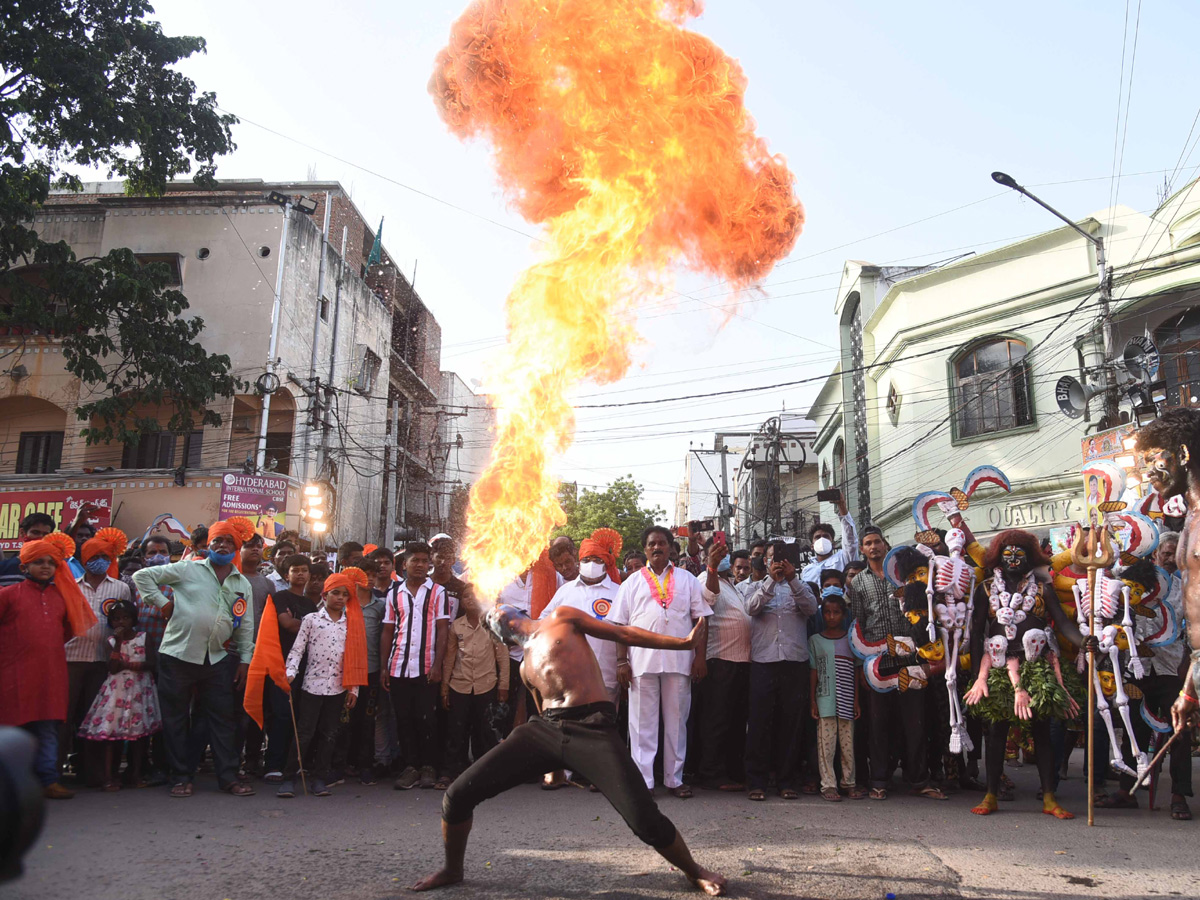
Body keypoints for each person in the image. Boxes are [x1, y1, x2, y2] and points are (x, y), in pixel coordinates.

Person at [412, 604, 724, 896]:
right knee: (456, 795)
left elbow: (623, 633)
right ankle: (453, 870)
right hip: (546, 728)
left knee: (644, 820)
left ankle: (694, 870)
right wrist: (554, 766)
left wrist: (683, 643)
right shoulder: (524, 667)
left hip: (592, 727)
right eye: (491, 621)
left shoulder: (562, 617)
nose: (493, 612)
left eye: (497, 609)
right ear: (502, 639)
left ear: (517, 611)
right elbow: (539, 710)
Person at [132, 517, 257, 797]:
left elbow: (246, 625)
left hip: (217, 659)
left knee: (222, 720)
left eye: (229, 542)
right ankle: (180, 777)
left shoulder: (242, 583)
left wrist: (245, 662)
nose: (223, 545)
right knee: (175, 719)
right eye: (218, 540)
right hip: (178, 655)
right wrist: (163, 604)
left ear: (236, 548)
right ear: (209, 544)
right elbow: (142, 577)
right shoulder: (188, 569)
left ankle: (228, 777)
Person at [964, 530, 1084, 819]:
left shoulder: (1043, 588)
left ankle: (1049, 798)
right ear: (997, 558)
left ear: (1030, 557)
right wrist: (974, 674)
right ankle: (991, 794)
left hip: (1036, 664)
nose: (1014, 559)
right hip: (995, 663)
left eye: (1020, 554)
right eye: (1008, 554)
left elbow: (1062, 624)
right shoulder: (986, 589)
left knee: (1042, 732)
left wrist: (1084, 642)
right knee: (996, 733)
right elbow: (977, 629)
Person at [609, 525, 711, 798]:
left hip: (679, 661)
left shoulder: (687, 579)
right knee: (642, 724)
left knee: (677, 722)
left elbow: (701, 620)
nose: (657, 548)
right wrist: (621, 661)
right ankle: (644, 782)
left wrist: (700, 657)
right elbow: (619, 626)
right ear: (645, 549)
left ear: (670, 548)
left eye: (662, 543)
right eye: (652, 544)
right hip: (641, 662)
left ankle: (674, 780)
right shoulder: (631, 583)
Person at [845, 526, 945, 801]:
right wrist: (860, 669)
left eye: (877, 541)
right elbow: (858, 625)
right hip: (876, 659)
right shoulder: (858, 583)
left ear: (885, 544)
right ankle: (879, 780)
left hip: (910, 655)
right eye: (868, 543)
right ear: (863, 549)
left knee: (915, 721)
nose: (874, 546)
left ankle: (919, 780)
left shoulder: (902, 575)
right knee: (879, 722)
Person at [0, 532, 95, 799]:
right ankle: (13, 785)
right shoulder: (8, 595)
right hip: (12, 675)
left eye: (51, 563)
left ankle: (48, 781)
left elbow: (65, 632)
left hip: (50, 675)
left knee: (48, 729)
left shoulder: (60, 598)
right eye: (39, 562)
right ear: (24, 567)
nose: (45, 567)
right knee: (13, 730)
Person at [538, 528, 624, 790]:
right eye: (587, 559)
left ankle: (601, 774)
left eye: (597, 560)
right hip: (571, 673)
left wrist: (624, 663)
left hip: (607, 670)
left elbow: (626, 629)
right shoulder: (565, 592)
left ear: (607, 562)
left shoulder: (619, 591)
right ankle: (564, 773)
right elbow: (544, 620)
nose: (590, 565)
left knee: (603, 725)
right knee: (568, 723)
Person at [1135, 411, 1200, 743]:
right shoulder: (1190, 518)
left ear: (1184, 455)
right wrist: (1191, 682)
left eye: (1153, 460)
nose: (1148, 472)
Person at [278, 568, 368, 798]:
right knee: (305, 732)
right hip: (312, 685)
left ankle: (320, 778)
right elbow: (298, 650)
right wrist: (290, 672)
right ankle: (289, 778)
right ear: (325, 594)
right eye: (335, 593)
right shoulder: (311, 620)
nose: (340, 598)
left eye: (345, 594)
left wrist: (353, 688)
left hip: (338, 687)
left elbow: (355, 656)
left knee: (330, 733)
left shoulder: (352, 624)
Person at [743, 539, 819, 801]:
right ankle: (757, 782)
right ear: (765, 561)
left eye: (782, 557)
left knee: (791, 723)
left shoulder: (803, 587)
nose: (777, 561)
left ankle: (787, 781)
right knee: (760, 723)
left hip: (794, 663)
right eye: (773, 557)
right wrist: (771, 582)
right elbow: (751, 608)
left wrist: (792, 580)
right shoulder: (754, 586)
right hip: (764, 662)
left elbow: (811, 609)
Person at [64, 527, 131, 785]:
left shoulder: (121, 588)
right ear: (84, 558)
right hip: (71, 659)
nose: (99, 560)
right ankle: (58, 771)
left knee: (96, 719)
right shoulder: (69, 586)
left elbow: (124, 624)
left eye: (105, 555)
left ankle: (92, 773)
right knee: (65, 718)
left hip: (104, 663)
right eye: (94, 555)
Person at [380, 542, 450, 790]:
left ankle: (429, 766)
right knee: (404, 718)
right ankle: (411, 767)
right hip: (398, 666)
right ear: (404, 564)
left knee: (427, 718)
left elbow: (443, 630)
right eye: (415, 560)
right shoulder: (393, 593)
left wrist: (438, 664)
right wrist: (384, 667)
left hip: (426, 667)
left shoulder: (438, 593)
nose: (420, 565)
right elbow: (388, 631)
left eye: (424, 560)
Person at [76, 598, 161, 790]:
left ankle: (135, 774)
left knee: (139, 736)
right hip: (117, 690)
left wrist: (128, 665)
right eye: (116, 619)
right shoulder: (111, 641)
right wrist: (119, 644)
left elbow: (151, 663)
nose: (121, 622)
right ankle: (109, 776)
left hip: (140, 689)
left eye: (125, 618)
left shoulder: (144, 637)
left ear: (133, 619)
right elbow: (113, 667)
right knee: (111, 733)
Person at [695, 542, 750, 792]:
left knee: (735, 720)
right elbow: (708, 599)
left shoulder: (733, 585)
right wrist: (712, 567)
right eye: (718, 552)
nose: (724, 556)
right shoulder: (705, 577)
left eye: (725, 552)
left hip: (740, 661)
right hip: (719, 659)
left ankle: (730, 771)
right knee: (717, 719)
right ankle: (711, 773)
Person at [440, 591, 509, 780]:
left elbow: (502, 657)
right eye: (465, 596)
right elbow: (450, 657)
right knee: (457, 730)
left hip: (486, 684)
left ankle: (485, 773)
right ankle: (454, 772)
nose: (470, 599)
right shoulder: (456, 626)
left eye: (474, 595)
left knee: (485, 731)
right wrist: (445, 687)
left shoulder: (492, 623)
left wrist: (504, 686)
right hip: (459, 685)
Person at [263, 553, 317, 783]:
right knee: (282, 714)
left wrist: (300, 623)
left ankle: (291, 765)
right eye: (296, 570)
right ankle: (272, 764)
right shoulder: (280, 597)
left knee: (300, 715)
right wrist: (305, 625)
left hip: (306, 664)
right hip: (281, 663)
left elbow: (303, 628)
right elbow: (288, 625)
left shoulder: (310, 603)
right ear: (287, 575)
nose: (301, 574)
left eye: (304, 570)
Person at [332, 557, 386, 785]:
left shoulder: (381, 605)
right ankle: (338, 765)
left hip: (371, 670)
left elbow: (386, 636)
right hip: (343, 672)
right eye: (367, 574)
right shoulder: (341, 602)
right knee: (342, 719)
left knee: (367, 720)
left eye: (374, 574)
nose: (371, 578)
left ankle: (365, 765)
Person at [808, 589, 862, 801]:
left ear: (843, 614)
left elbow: (857, 670)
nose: (831, 617)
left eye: (836, 612)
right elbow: (813, 671)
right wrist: (813, 700)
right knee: (826, 746)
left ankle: (849, 783)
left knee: (848, 746)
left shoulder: (851, 640)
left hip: (847, 700)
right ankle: (828, 785)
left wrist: (857, 701)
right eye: (827, 612)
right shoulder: (815, 640)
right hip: (825, 701)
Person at [800, 490, 858, 587]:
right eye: (817, 537)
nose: (822, 540)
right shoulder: (807, 570)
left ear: (833, 543)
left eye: (826, 536)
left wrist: (841, 505)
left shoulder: (843, 558)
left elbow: (850, 540)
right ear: (812, 546)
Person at [0, 511, 56, 587]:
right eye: (35, 532)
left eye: (45, 534)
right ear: (22, 533)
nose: (40, 538)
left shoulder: (56, 570)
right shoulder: (4, 568)